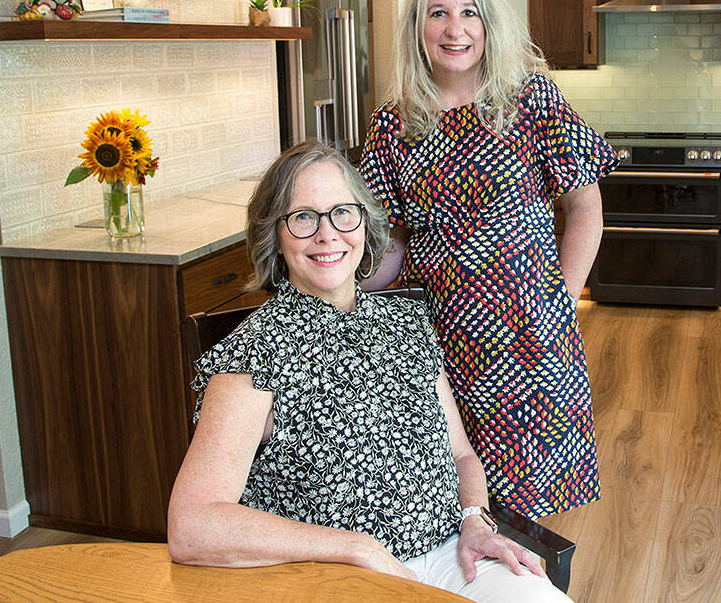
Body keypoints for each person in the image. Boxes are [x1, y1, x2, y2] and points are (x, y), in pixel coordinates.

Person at [166, 141, 569, 602]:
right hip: (333, 579)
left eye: (342, 212)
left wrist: (475, 519)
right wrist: (355, 549)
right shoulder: (253, 358)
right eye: (302, 217)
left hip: (454, 558)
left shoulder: (408, 323)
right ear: (273, 236)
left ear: (364, 221)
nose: (327, 234)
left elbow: (461, 455)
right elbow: (192, 524)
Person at [358, 0, 617, 518]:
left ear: (488, 24)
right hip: (434, 342)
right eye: (438, 13)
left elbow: (586, 209)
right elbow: (392, 242)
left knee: (519, 510)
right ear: (416, 29)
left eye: (469, 13)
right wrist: (341, 295)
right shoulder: (392, 122)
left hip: (529, 341)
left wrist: (561, 305)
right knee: (439, 502)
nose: (455, 29)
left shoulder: (531, 100)